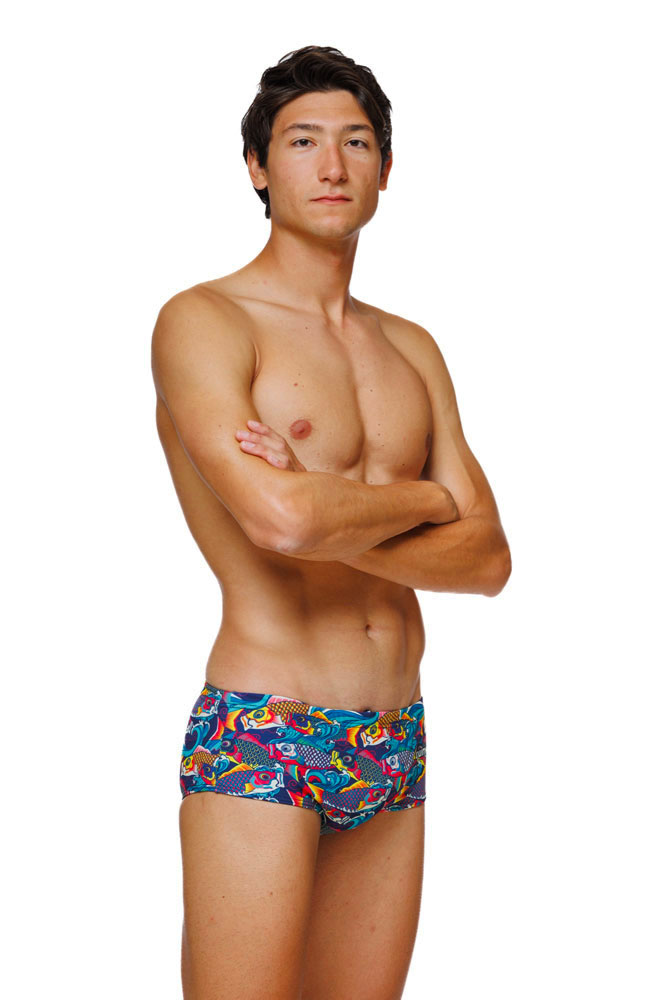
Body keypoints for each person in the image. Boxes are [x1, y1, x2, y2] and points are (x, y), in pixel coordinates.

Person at [151, 43, 511, 1000]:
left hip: (395, 732)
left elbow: (487, 559)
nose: (332, 165)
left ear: (386, 170)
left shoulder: (410, 346)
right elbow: (280, 522)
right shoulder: (205, 321)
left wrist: (331, 508)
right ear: (257, 167)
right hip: (268, 727)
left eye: (356, 142)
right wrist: (430, 499)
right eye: (302, 140)